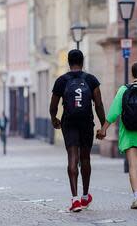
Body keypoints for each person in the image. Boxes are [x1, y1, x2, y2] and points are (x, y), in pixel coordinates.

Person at [49, 49, 106, 213]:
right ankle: (85, 195)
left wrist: (54, 119)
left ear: (68, 62)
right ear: (83, 61)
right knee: (85, 158)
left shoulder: (61, 80)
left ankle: (74, 200)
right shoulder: (91, 79)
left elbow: (53, 106)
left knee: (72, 157)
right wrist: (102, 126)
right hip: (86, 122)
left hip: (69, 122)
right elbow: (99, 104)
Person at [97, 62, 137, 210]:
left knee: (133, 166)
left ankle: (136, 197)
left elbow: (114, 111)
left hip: (129, 133)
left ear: (132, 74)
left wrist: (103, 129)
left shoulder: (123, 89)